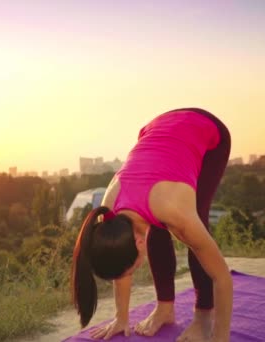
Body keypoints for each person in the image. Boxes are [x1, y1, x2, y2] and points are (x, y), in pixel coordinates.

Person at [71, 108, 233, 342]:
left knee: (197, 229)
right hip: (155, 132)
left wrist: (220, 338)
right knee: (154, 223)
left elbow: (222, 278)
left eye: (134, 268)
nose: (129, 274)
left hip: (207, 130)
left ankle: (203, 316)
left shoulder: (176, 212)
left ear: (139, 242)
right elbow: (120, 259)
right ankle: (165, 309)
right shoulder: (111, 214)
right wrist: (121, 317)